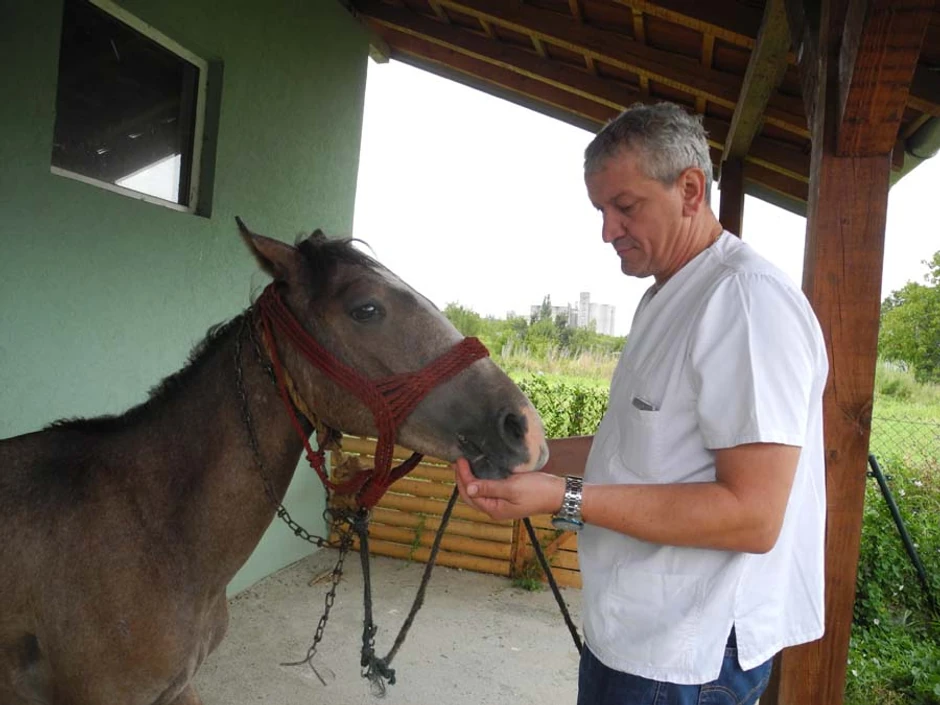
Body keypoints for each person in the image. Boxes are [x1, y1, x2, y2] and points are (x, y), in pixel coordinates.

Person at [453, 101, 829, 705]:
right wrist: (521, 459)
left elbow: (754, 516)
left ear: (689, 189)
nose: (607, 230)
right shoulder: (667, 295)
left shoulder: (745, 302)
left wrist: (561, 498)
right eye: (600, 210)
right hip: (633, 634)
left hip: (688, 655)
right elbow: (634, 452)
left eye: (624, 207)